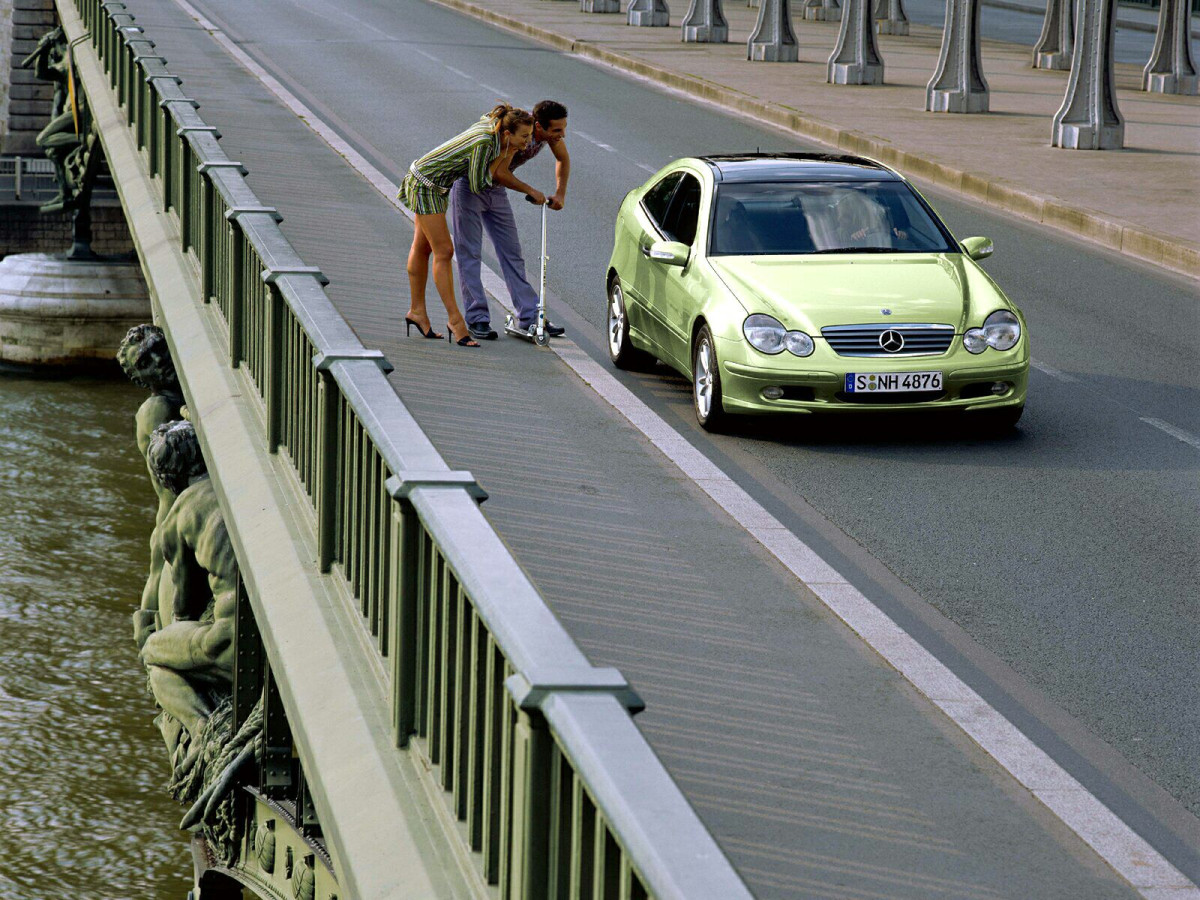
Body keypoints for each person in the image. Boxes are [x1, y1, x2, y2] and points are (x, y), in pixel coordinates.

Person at [399, 104, 539, 347]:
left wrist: (506, 152)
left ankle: (417, 312)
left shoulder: (496, 129)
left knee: (423, 249)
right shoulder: (486, 143)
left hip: (434, 184)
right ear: (507, 134)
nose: (528, 143)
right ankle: (456, 320)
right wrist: (505, 158)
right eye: (524, 137)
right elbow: (476, 185)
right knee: (444, 251)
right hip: (425, 185)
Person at [451, 100, 571, 341]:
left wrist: (560, 193)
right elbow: (499, 171)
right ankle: (477, 318)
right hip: (469, 187)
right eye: (556, 130)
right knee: (470, 253)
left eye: (563, 128)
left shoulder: (548, 138)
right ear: (538, 126)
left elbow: (563, 160)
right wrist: (530, 189)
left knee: (512, 253)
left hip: (495, 190)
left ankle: (530, 315)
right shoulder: (519, 135)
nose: (562, 135)